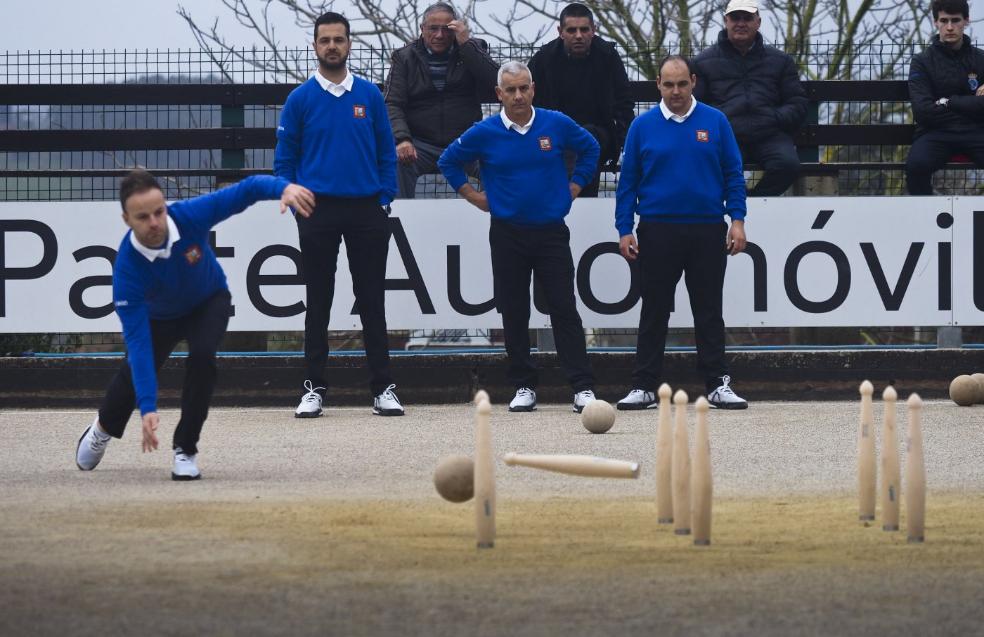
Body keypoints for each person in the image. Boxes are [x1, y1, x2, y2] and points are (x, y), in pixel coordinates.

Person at [75, 169, 315, 479]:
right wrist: (148, 408)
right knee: (134, 370)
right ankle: (102, 429)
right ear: (127, 220)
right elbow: (139, 345)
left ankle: (185, 449)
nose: (155, 223)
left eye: (159, 212)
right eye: (143, 217)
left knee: (203, 358)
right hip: (159, 316)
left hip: (207, 300)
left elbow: (247, 190)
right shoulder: (127, 271)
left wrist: (283, 188)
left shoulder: (189, 216)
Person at [438, 60, 601, 413]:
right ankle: (524, 385)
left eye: (523, 88)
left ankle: (582, 386)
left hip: (551, 232)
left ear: (533, 89)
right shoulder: (485, 132)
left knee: (563, 308)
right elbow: (448, 161)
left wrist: (574, 186)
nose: (518, 95)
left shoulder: (556, 123)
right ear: (499, 94)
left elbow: (591, 148)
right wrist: (474, 196)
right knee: (513, 310)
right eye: (510, 90)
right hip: (507, 232)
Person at [274, 12, 404, 418]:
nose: (332, 46)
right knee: (319, 299)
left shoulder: (369, 96)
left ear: (349, 45)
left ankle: (383, 388)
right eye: (325, 40)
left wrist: (385, 198)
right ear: (315, 46)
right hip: (317, 210)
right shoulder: (299, 100)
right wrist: (295, 198)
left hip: (367, 209)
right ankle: (313, 388)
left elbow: (387, 151)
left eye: (339, 39)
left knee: (371, 300)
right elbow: (285, 159)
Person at [615, 55, 749, 411]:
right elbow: (627, 182)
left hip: (707, 229)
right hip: (658, 229)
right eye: (668, 84)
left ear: (693, 82)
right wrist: (624, 228)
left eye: (682, 83)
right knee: (654, 310)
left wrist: (737, 219)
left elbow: (734, 174)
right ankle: (644, 386)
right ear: (658, 84)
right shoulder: (642, 126)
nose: (675, 91)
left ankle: (718, 384)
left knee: (708, 310)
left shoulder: (716, 122)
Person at [384, 2, 498, 198]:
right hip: (420, 144)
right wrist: (402, 139)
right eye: (433, 29)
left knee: (496, 159)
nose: (439, 35)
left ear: (455, 28)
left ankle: (499, 220)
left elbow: (497, 83)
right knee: (396, 161)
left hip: (466, 141)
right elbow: (392, 102)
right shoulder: (404, 57)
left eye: (446, 29)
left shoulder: (472, 49)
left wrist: (467, 45)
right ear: (422, 29)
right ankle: (402, 220)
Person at [693, 0, 807, 197]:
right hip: (727, 136)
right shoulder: (702, 62)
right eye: (735, 18)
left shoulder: (781, 61)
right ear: (725, 21)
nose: (741, 23)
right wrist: (719, 122)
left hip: (770, 135)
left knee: (788, 165)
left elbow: (797, 103)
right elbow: (695, 106)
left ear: (758, 22)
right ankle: (741, 202)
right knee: (715, 165)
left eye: (747, 18)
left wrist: (774, 118)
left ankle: (752, 203)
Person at [528, 2, 634, 197]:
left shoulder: (608, 56)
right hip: (553, 135)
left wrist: (622, 144)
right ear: (560, 31)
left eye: (584, 29)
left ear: (594, 30)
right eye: (572, 30)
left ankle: (572, 198)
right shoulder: (544, 58)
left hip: (597, 136)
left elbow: (624, 102)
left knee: (585, 140)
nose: (578, 35)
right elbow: (526, 99)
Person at [906, 0, 984, 195]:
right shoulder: (921, 62)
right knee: (916, 166)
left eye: (955, 20)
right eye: (944, 20)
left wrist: (949, 102)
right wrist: (973, 105)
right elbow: (923, 111)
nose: (949, 27)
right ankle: (925, 218)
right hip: (935, 133)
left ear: (966, 21)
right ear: (935, 22)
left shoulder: (981, 59)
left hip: (977, 131)